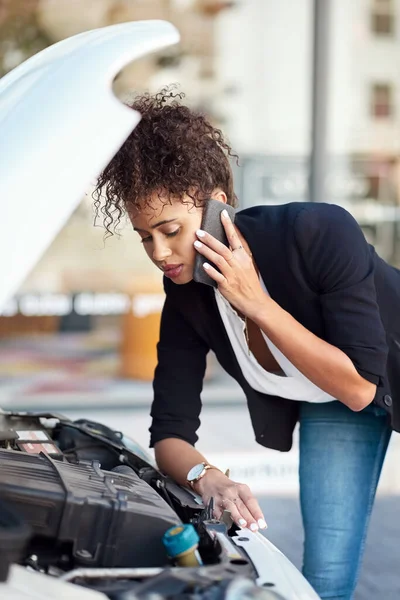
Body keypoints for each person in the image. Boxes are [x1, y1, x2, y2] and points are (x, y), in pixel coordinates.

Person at [94, 88, 400, 600]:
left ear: (217, 205)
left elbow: (360, 386)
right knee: (324, 579)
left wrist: (256, 303)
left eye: (171, 229)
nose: (160, 253)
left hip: (360, 377)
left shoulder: (318, 231)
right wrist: (207, 477)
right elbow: (168, 431)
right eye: (145, 237)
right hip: (333, 401)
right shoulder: (186, 295)